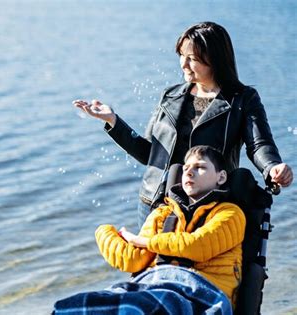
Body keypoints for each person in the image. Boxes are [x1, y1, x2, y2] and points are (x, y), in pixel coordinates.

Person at [74, 21, 293, 228]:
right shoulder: (170, 96)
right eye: (181, 55)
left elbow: (259, 144)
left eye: (192, 58)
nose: (184, 64)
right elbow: (149, 154)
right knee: (149, 267)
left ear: (214, 59)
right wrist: (113, 121)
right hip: (155, 203)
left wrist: (272, 167)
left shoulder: (243, 99)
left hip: (208, 206)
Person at [54, 145, 244, 314]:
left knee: (137, 308)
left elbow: (198, 246)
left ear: (221, 177)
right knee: (75, 306)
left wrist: (143, 241)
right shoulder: (162, 214)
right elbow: (134, 260)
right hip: (151, 283)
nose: (189, 172)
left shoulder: (230, 214)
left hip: (201, 291)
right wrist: (103, 231)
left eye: (200, 167)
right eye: (186, 168)